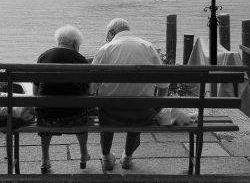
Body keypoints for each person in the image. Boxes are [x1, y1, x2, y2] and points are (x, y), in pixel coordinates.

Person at [92, 18, 169, 170]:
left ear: (112, 32)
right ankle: (127, 157)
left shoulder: (106, 49)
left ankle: (106, 157)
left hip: (109, 114)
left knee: (106, 104)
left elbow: (91, 86)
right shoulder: (147, 46)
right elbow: (163, 85)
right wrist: (156, 109)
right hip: (141, 114)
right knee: (140, 102)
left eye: (107, 35)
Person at [33, 25, 90, 174]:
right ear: (75, 44)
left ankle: (45, 159)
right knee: (82, 111)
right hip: (74, 117)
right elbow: (86, 92)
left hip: (46, 116)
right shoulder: (81, 60)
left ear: (59, 41)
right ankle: (84, 154)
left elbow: (36, 89)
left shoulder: (44, 56)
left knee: (44, 110)